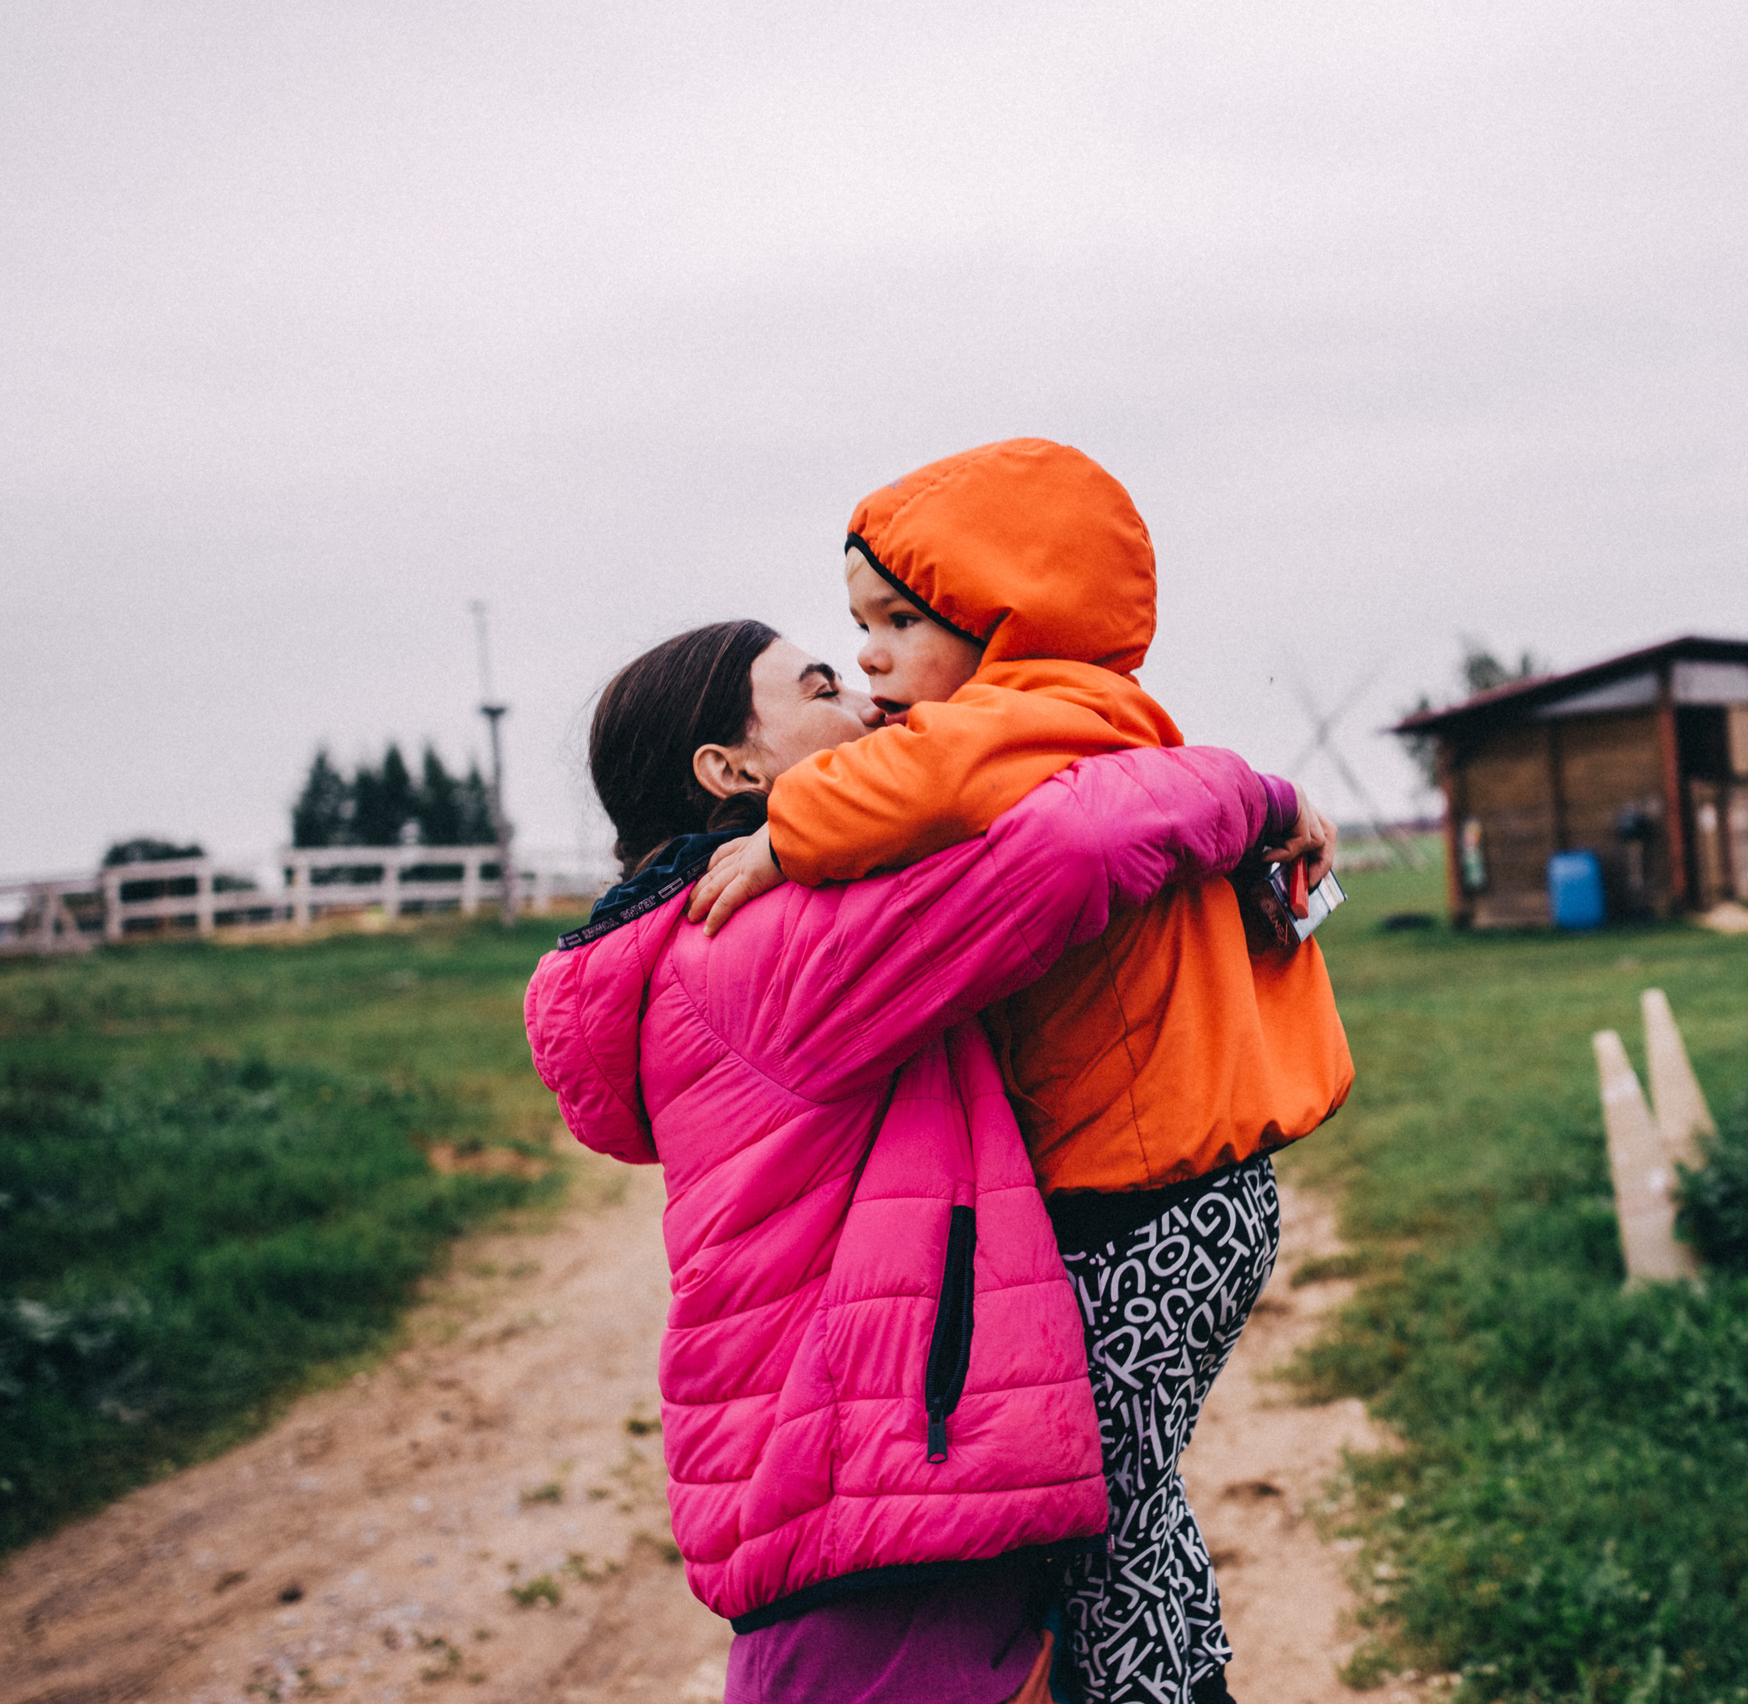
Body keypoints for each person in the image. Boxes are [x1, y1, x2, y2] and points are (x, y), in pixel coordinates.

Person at [525, 619, 1315, 1704]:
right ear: (729, 769)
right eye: (820, 688)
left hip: (876, 1510)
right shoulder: (764, 942)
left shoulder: (712, 937)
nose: (867, 703)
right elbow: (1067, 850)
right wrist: (1263, 799)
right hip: (874, 1531)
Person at [689, 440, 1355, 1704]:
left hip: (1154, 1205)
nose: (873, 657)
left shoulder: (1031, 719)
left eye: (897, 621)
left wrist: (787, 837)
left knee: (1100, 1496)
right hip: (1160, 1197)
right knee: (1104, 1489)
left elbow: (915, 780)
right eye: (856, 628)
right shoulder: (1056, 721)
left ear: (1005, 615)